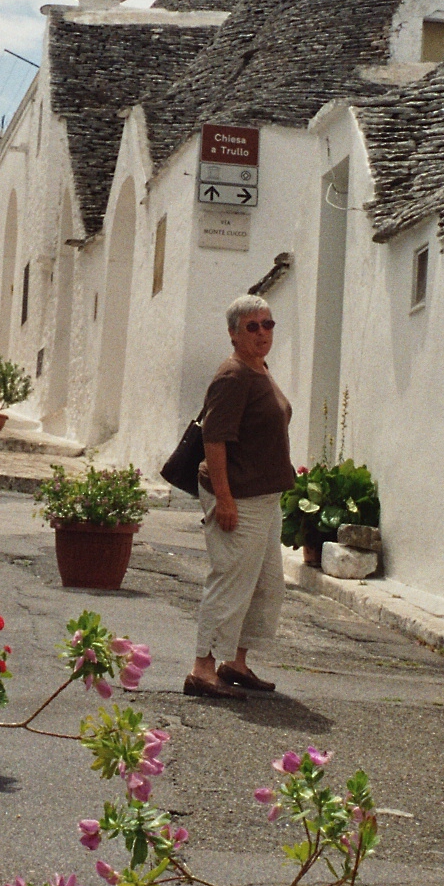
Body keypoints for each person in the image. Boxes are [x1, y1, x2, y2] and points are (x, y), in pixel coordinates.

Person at [187, 294, 296, 700]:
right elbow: (214, 440)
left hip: (264, 496)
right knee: (231, 582)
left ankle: (236, 662)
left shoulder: (259, 369)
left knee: (266, 586)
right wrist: (225, 499)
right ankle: (202, 668)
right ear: (234, 333)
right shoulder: (233, 375)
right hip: (239, 496)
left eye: (268, 324)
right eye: (252, 327)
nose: (262, 333)